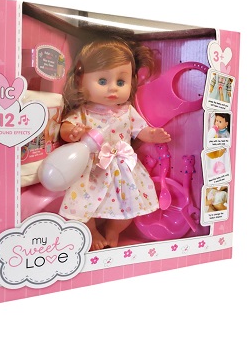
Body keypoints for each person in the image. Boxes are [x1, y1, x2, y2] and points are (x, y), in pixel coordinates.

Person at [59, 37, 171, 250]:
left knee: (131, 204)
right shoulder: (84, 112)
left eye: (120, 82)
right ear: (80, 81)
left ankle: (113, 230)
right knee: (83, 204)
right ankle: (91, 230)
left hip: (122, 168)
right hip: (91, 168)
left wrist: (152, 134)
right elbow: (66, 128)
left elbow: (140, 131)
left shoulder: (127, 111)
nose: (113, 89)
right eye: (102, 81)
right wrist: (72, 132)